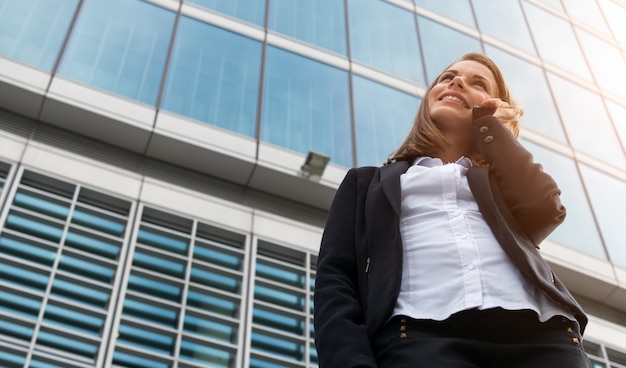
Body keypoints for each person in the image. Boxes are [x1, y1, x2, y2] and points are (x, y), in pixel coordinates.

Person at [313, 52, 591, 368]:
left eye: (478, 83)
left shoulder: (502, 183)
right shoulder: (367, 184)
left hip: (543, 338)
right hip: (419, 338)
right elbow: (335, 280)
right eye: (448, 76)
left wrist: (491, 128)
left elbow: (544, 208)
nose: (457, 81)